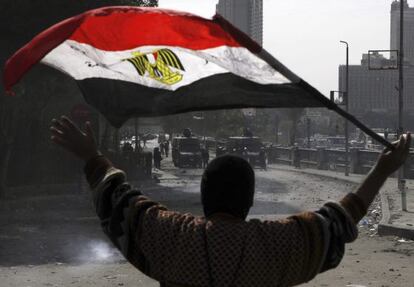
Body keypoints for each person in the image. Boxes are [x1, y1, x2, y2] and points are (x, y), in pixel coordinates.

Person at [50, 116, 411, 287]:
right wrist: (382, 168)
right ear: (250, 199)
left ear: (204, 196)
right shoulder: (277, 245)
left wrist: (91, 156)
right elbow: (340, 220)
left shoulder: (173, 237)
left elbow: (120, 200)